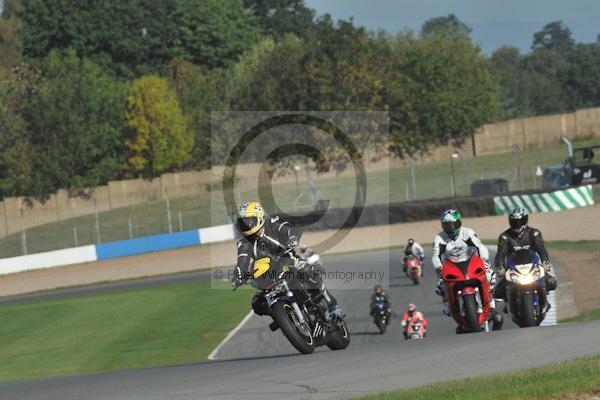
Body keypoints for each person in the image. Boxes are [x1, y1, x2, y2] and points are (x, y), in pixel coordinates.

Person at [231, 201, 345, 324]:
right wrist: (238, 276)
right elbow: (242, 261)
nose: (247, 225)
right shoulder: (243, 243)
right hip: (268, 275)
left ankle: (332, 306)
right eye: (243, 222)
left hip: (288, 261)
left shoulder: (271, 224)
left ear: (259, 216)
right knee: (257, 305)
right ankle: (282, 317)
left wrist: (292, 238)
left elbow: (291, 230)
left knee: (308, 271)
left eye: (249, 220)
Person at [432, 209, 496, 315]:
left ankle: (489, 296)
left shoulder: (468, 232)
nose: (451, 228)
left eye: (453, 224)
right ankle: (448, 301)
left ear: (459, 222)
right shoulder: (439, 238)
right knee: (441, 286)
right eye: (447, 225)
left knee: (489, 275)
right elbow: (436, 256)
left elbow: (480, 247)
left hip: (470, 262)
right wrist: (439, 268)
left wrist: (484, 261)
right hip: (452, 266)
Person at [494, 207, 558, 308]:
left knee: (551, 282)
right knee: (497, 292)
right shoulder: (505, 237)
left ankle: (544, 297)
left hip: (532, 267)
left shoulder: (534, 233)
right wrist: (500, 268)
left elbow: (542, 250)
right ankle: (508, 303)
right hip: (513, 269)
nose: (516, 224)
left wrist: (545, 262)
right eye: (514, 221)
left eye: (519, 221)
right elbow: (499, 256)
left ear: (525, 220)